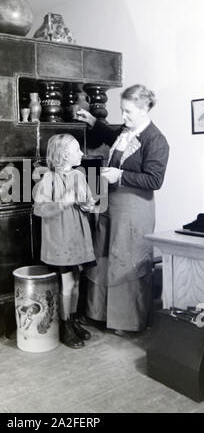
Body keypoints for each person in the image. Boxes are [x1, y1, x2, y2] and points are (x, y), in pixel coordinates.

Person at [76, 84, 169, 336]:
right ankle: (99, 314)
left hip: (134, 210)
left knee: (127, 261)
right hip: (112, 205)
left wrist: (121, 175)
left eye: (127, 112)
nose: (124, 116)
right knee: (104, 257)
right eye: (122, 110)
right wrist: (92, 120)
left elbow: (155, 180)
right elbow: (110, 135)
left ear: (143, 109)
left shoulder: (156, 140)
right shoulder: (126, 131)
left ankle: (126, 322)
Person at [33, 134, 96, 348]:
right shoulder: (48, 179)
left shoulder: (79, 175)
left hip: (77, 239)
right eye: (77, 149)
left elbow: (89, 202)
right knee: (67, 283)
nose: (82, 153)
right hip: (60, 240)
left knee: (77, 281)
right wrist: (62, 203)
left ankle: (73, 320)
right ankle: (64, 325)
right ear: (63, 155)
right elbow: (39, 209)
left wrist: (88, 205)